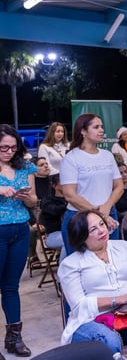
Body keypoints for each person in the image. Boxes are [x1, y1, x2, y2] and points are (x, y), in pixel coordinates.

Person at [58, 210, 127, 360]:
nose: (101, 230)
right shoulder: (70, 264)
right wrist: (119, 299)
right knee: (109, 340)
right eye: (93, 229)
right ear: (81, 236)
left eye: (102, 224)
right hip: (91, 321)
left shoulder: (125, 247)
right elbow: (79, 305)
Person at [0, 125, 38, 357]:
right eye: (4, 147)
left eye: (13, 148)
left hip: (20, 230)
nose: (9, 152)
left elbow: (34, 201)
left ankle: (14, 338)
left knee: (11, 286)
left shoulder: (24, 167)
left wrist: (27, 197)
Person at [60, 114, 122, 254]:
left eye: (101, 127)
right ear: (83, 131)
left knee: (111, 260)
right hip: (80, 217)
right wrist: (101, 215)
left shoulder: (107, 155)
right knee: (80, 263)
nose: (101, 130)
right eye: (96, 127)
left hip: (109, 214)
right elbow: (70, 195)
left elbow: (119, 186)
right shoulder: (71, 158)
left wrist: (107, 207)